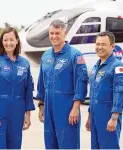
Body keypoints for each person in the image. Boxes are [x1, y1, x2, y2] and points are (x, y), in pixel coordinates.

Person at [36, 19, 88, 149]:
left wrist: (75, 107)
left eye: (57, 33)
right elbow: (41, 82)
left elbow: (81, 82)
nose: (54, 36)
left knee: (68, 143)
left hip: (67, 108)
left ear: (65, 33)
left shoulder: (75, 55)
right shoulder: (46, 56)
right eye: (51, 33)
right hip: (49, 108)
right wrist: (41, 105)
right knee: (50, 143)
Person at [0, 27, 35, 149]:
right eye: (5, 40)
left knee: (15, 145)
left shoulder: (24, 63)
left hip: (17, 111)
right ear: (1, 42)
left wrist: (27, 115)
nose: (8, 43)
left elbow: (28, 90)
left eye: (11, 40)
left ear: (17, 41)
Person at [85, 31, 123, 149]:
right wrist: (90, 116)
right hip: (95, 115)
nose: (99, 47)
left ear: (112, 46)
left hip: (108, 115)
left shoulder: (117, 66)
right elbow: (93, 93)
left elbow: (120, 92)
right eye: (97, 44)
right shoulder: (96, 66)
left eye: (103, 44)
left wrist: (114, 117)